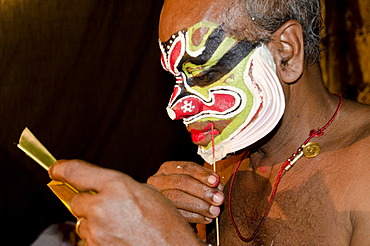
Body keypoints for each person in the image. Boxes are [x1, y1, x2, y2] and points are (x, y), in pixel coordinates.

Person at [49, 0, 370, 245]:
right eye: (175, 79)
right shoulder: (220, 169)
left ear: (285, 53)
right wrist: (164, 219)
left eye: (201, 73)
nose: (174, 109)